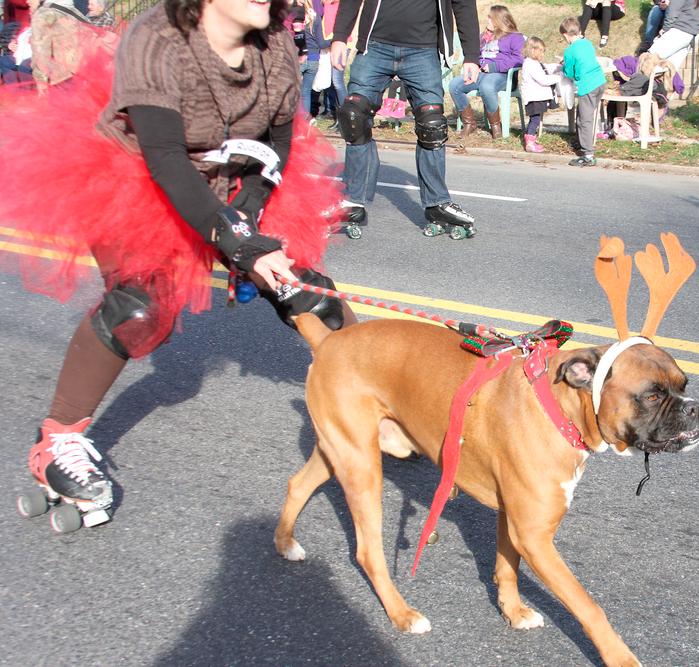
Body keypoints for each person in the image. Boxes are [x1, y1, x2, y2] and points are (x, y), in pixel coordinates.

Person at [1, 0, 351, 527]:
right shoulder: (159, 38)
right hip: (136, 176)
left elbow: (275, 148)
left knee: (303, 290)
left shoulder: (275, 42)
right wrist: (236, 242)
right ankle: (58, 441)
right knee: (143, 310)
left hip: (232, 178)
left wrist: (248, 220)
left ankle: (384, 392)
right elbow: (165, 161)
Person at [331, 0, 481, 238]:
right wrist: (340, 36)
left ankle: (436, 203)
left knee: (432, 124)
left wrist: (472, 54)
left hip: (424, 50)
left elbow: (463, 5)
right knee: (354, 116)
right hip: (375, 46)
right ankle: (354, 200)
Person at [449, 4, 524, 140]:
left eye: (490, 18)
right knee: (455, 85)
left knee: (487, 86)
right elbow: (474, 54)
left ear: (498, 20)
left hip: (503, 76)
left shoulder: (515, 37)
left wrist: (494, 67)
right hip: (481, 74)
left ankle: (496, 126)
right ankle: (469, 123)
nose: (487, 21)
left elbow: (519, 59)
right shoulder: (484, 36)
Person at [559, 15, 606, 167]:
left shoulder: (569, 51)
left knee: (584, 120)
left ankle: (588, 154)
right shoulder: (587, 43)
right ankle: (583, 141)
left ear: (566, 35)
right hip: (599, 82)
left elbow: (570, 73)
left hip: (587, 86)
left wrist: (564, 66)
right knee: (587, 114)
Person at [519, 35, 561, 153]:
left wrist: (559, 67)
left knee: (535, 119)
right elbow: (543, 79)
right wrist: (559, 77)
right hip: (534, 98)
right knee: (535, 119)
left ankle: (530, 137)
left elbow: (546, 68)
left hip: (537, 97)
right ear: (533, 50)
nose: (543, 54)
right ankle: (530, 141)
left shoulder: (535, 63)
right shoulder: (530, 64)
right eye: (541, 51)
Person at [647, 0, 699, 69]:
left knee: (647, 61)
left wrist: (665, 29)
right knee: (668, 71)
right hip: (692, 35)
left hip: (678, 33)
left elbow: (672, 13)